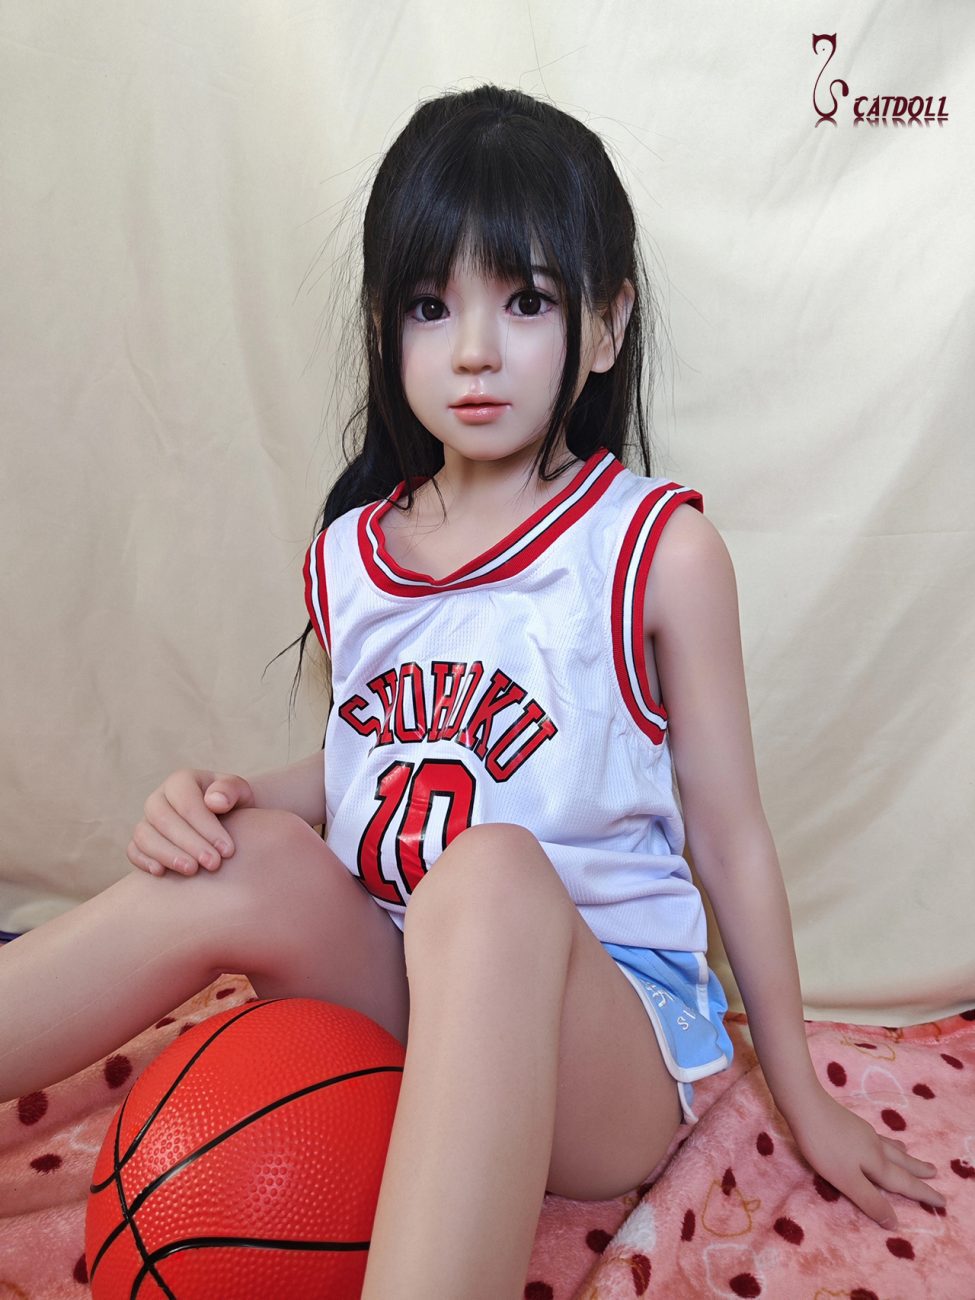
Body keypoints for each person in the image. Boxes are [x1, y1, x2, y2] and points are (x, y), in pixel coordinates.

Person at [0, 85, 945, 1299]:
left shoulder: (652, 550)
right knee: (247, 852)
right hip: (406, 986)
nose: (475, 351)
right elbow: (376, 764)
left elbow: (729, 835)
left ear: (606, 326)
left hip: (599, 1048)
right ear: (385, 326)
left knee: (488, 874)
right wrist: (226, 798)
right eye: (431, 306)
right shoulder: (356, 552)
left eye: (527, 301)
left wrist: (800, 1090)